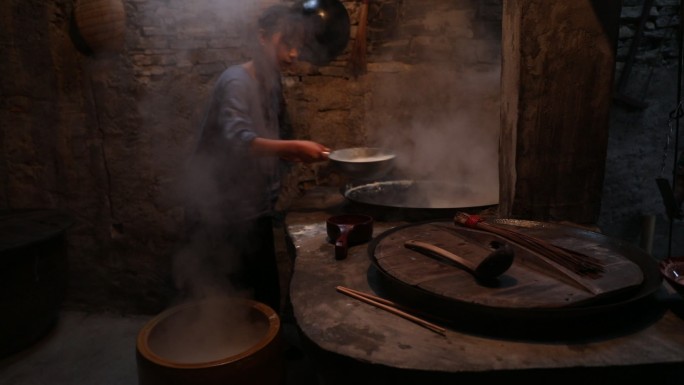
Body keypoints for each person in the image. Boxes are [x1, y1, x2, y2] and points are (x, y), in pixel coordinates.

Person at [179, 4, 330, 313]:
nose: (293, 55)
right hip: (221, 213)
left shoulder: (271, 85)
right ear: (263, 38)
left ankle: (265, 352)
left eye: (298, 46)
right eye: (286, 44)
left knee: (265, 297)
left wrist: (292, 155)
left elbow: (274, 138)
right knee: (228, 302)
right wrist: (292, 148)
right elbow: (239, 140)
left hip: (255, 209)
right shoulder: (236, 81)